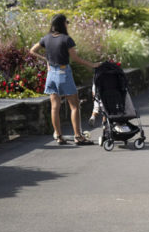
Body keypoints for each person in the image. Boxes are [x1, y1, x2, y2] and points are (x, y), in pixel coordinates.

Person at [29, 13, 101, 145]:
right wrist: (93, 65)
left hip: (51, 75)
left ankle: (58, 136)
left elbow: (32, 50)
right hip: (63, 73)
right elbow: (75, 59)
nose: (67, 24)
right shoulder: (66, 39)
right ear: (62, 24)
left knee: (54, 107)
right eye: (66, 22)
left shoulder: (46, 38)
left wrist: (46, 60)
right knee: (74, 106)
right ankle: (78, 136)